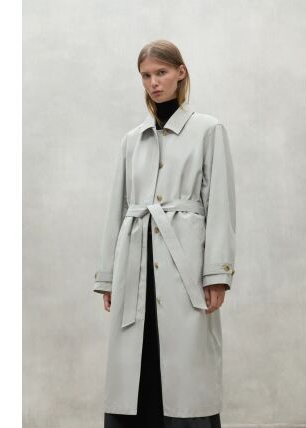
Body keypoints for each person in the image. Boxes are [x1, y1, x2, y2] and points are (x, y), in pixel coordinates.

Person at [93, 39, 236, 428]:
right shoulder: (131, 140)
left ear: (180, 73)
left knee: (185, 366)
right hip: (135, 264)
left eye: (161, 72)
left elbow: (220, 205)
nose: (154, 82)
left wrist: (217, 273)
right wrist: (108, 276)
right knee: (136, 364)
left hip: (184, 264)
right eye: (146, 76)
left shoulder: (208, 130)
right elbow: (117, 209)